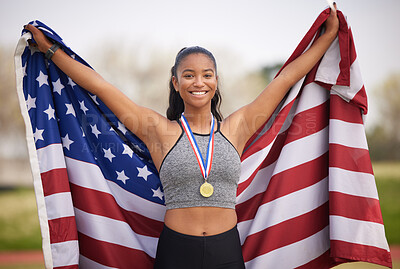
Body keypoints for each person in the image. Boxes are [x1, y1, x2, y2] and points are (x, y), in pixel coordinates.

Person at [25, 4, 339, 269]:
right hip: (176, 251)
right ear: (176, 83)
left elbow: (286, 78)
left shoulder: (238, 126)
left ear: (216, 81)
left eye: (207, 74)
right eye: (188, 75)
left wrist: (327, 39)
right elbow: (102, 88)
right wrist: (51, 51)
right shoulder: (158, 129)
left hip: (227, 252)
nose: (198, 82)